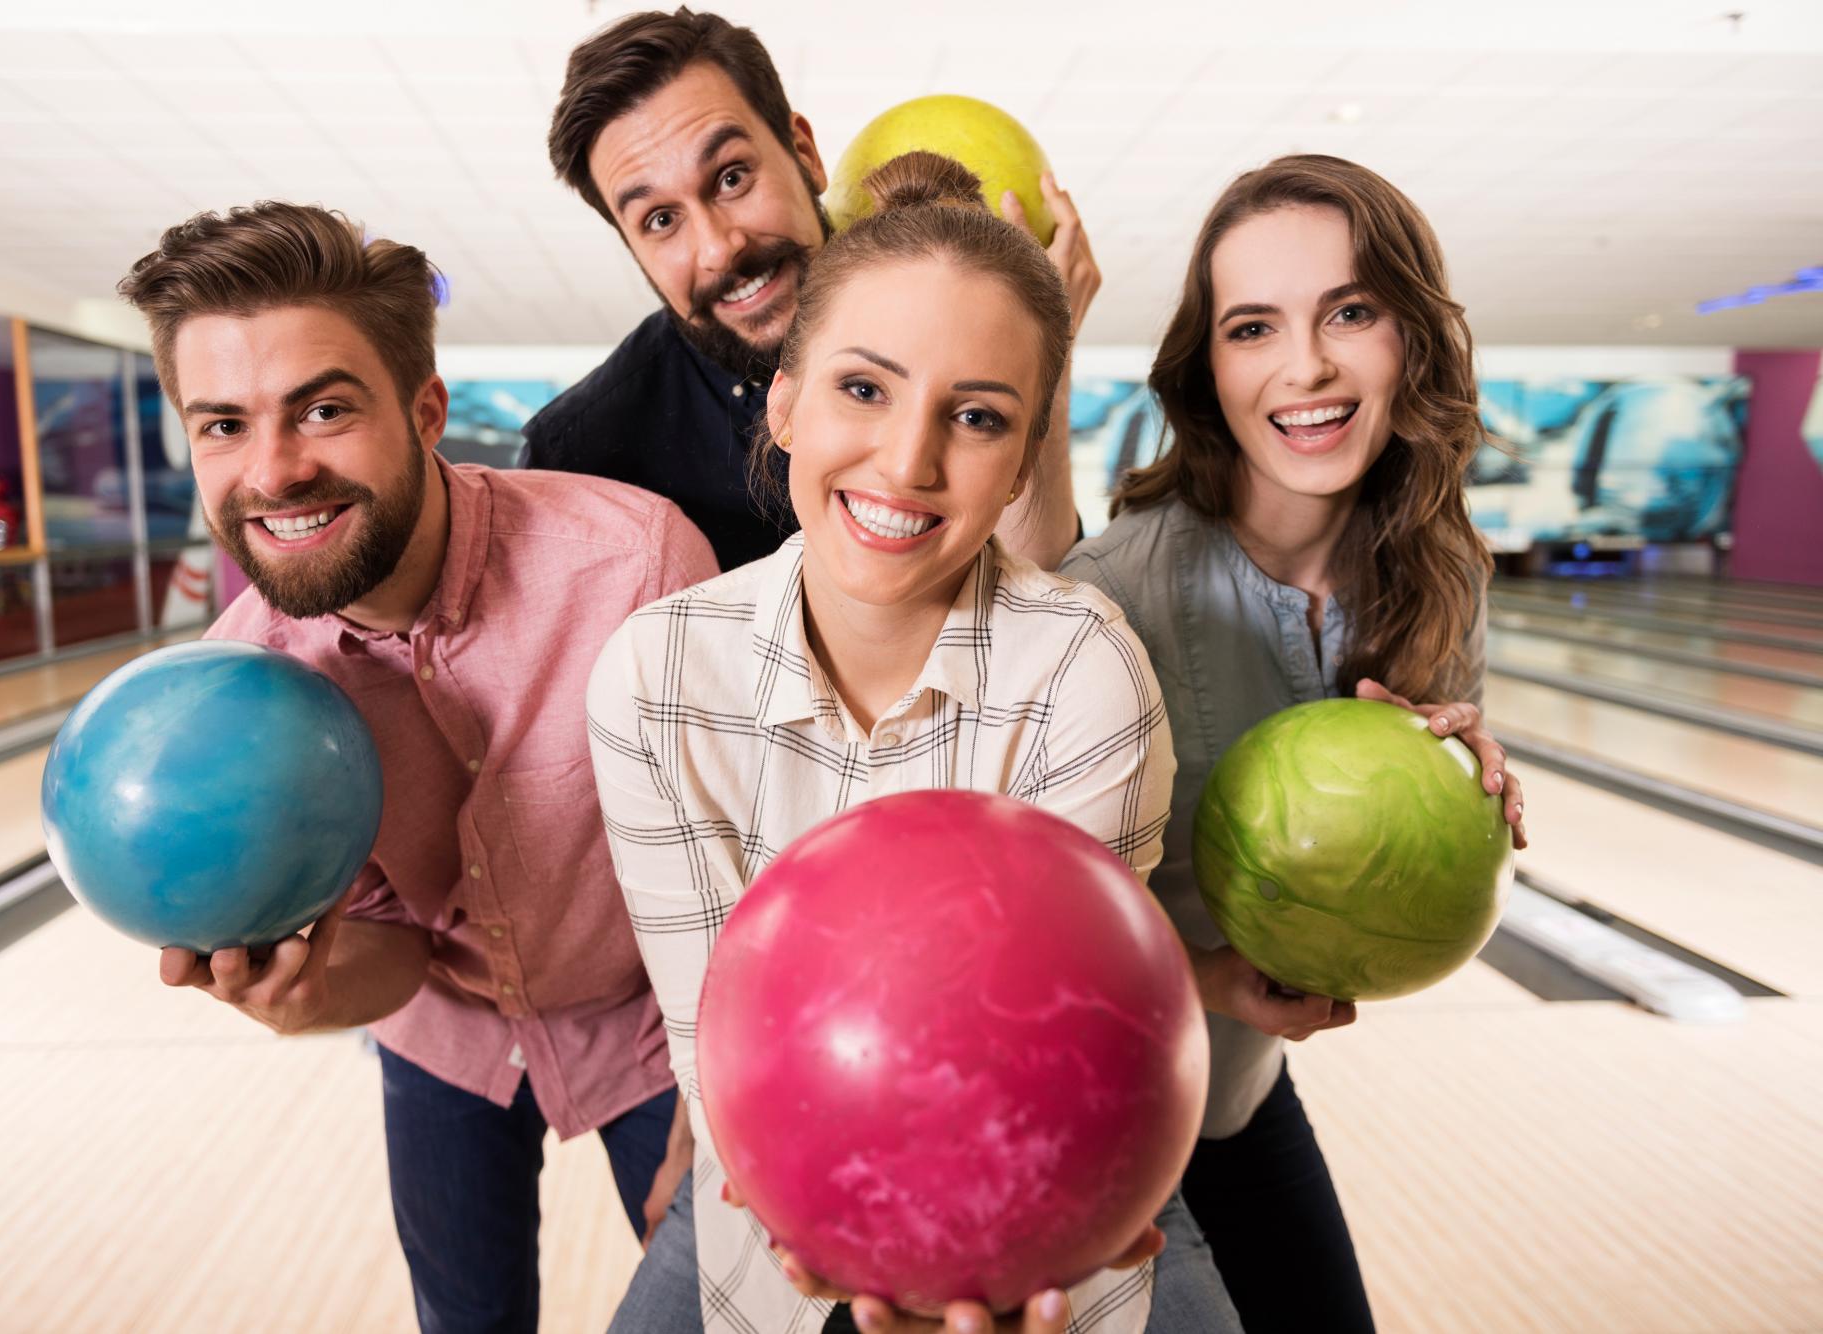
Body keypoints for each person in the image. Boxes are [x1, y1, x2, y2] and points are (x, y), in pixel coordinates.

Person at [587, 152, 1243, 1334]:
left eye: (976, 416)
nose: (906, 461)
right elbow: (717, 1049)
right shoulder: (654, 673)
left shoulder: (1083, 670)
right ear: (784, 402)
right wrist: (848, 1230)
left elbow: (1065, 1056)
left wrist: (964, 1259)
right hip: (767, 1191)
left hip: (1054, 1210)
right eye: (862, 388)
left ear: (1023, 458)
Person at [115, 201, 717, 1334]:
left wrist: (731, 1091)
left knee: (735, 1306)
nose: (273, 471)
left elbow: (744, 867)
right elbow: (389, 955)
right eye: (223, 425)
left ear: (425, 411)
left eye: (324, 409)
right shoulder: (242, 689)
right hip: (445, 1027)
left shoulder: (636, 567)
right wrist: (299, 996)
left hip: (656, 1023)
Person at [1059, 154, 1530, 1334]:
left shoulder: (1441, 579)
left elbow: (1375, 894)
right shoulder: (1107, 597)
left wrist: (1455, 794)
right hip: (1082, 1112)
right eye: (1252, 326)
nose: (1305, 365)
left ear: (1409, 337)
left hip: (1230, 1093)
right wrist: (1207, 973)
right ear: (1207, 368)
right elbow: (1025, 928)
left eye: (1349, 312)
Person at [526, 6, 1099, 574]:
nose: (719, 248)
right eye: (660, 220)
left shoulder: (946, 308)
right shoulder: (577, 457)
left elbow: (1030, 591)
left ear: (804, 153)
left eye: (732, 178)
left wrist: (1039, 345)